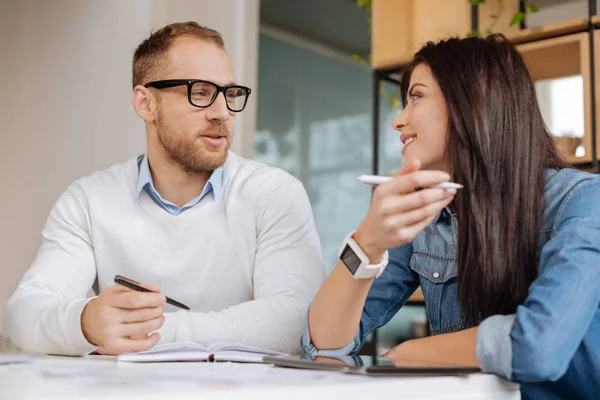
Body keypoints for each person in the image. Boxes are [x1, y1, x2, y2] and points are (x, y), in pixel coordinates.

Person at [302, 34, 600, 399]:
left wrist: (408, 354)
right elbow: (324, 346)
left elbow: (539, 347)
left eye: (416, 96)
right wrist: (367, 242)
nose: (399, 120)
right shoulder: (427, 215)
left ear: (471, 102)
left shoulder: (583, 202)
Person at [4, 22, 324, 356]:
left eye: (230, 94)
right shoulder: (88, 200)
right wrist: (86, 323)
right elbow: (21, 316)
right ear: (145, 104)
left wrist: (143, 332)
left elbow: (295, 321)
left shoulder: (274, 194)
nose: (222, 113)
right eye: (199, 92)